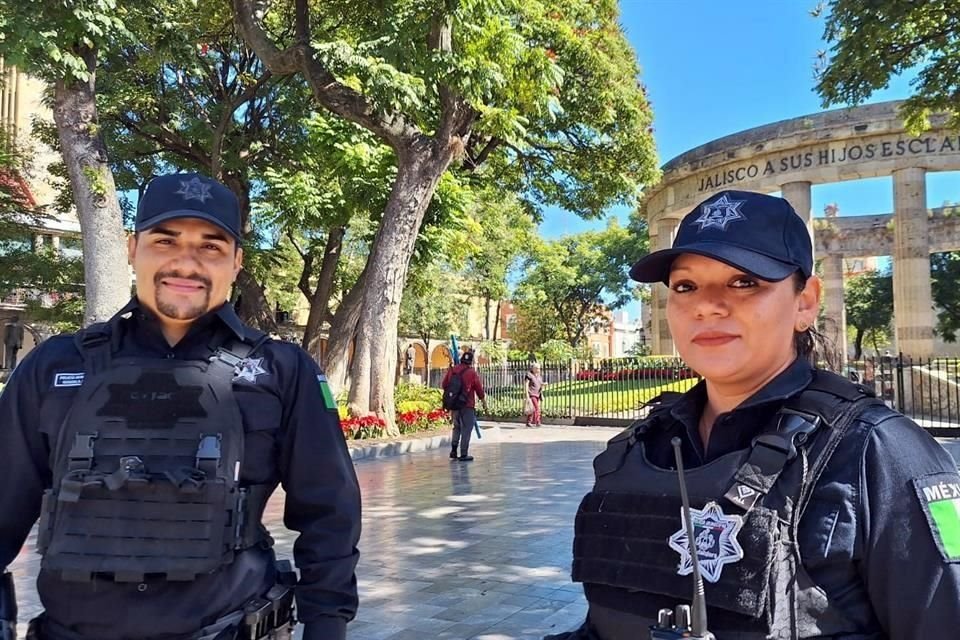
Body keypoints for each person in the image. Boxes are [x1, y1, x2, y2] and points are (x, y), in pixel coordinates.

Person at [547, 190, 960, 640]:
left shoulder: (880, 452)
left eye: (744, 282)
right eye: (685, 286)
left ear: (804, 303)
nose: (706, 304)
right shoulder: (636, 449)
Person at [0, 173, 361, 640]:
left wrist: (327, 625)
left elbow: (330, 512)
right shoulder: (54, 366)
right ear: (133, 249)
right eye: (165, 241)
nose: (185, 263)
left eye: (210, 246)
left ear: (236, 262)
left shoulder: (281, 371)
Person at [441, 349, 488, 462]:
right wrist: (484, 403)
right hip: (467, 405)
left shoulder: (453, 370)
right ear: (471, 362)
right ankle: (463, 453)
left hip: (454, 404)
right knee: (467, 429)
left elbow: (444, 384)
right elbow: (479, 389)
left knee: (456, 427)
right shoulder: (472, 372)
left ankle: (453, 450)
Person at [524, 363, 544, 428]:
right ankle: (538, 422)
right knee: (536, 408)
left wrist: (542, 394)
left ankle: (529, 422)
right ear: (533, 368)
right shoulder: (529, 375)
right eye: (537, 368)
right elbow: (526, 384)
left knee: (532, 409)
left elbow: (540, 386)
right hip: (532, 394)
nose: (538, 370)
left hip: (537, 394)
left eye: (539, 368)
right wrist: (527, 394)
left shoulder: (539, 376)